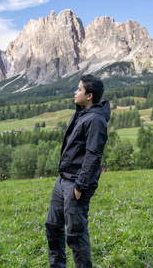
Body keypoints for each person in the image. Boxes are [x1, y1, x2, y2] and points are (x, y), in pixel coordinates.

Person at [45, 74, 111, 268]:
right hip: (63, 181)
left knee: (76, 233)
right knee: (53, 226)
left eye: (79, 89)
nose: (75, 92)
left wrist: (80, 186)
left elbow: (93, 155)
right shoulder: (82, 113)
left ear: (89, 95)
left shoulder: (96, 120)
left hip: (76, 184)